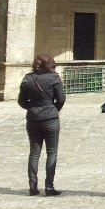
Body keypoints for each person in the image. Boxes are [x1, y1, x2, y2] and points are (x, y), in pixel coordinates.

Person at [17, 54, 66, 196]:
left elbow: (21, 101)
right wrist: (54, 109)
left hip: (32, 119)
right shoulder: (54, 78)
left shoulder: (27, 78)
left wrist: (33, 108)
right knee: (52, 152)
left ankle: (33, 186)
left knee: (34, 152)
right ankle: (49, 186)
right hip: (50, 118)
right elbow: (61, 98)